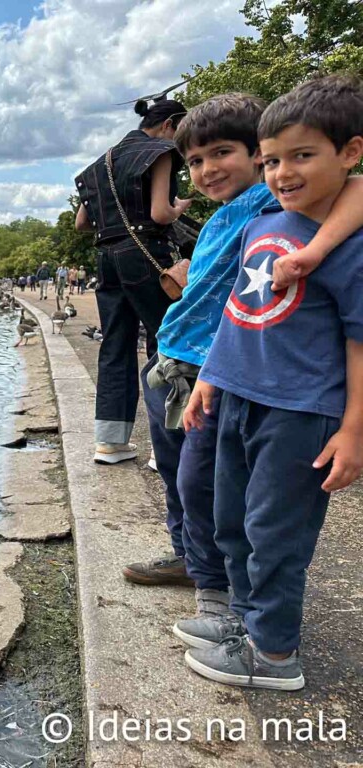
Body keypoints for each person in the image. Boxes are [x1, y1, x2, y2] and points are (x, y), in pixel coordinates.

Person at [125, 93, 363, 596]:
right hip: (171, 361)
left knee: (208, 482)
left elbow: (359, 187)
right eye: (194, 161)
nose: (208, 169)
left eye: (221, 153)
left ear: (257, 154)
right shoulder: (219, 217)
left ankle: (221, 581)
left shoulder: (267, 201)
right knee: (176, 475)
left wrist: (315, 250)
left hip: (211, 372)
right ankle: (189, 556)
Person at [182, 75, 363, 690]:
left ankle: (275, 655)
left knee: (276, 532)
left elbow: (359, 340)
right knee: (230, 517)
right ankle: (242, 619)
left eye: (303, 156)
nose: (283, 173)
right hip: (239, 397)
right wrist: (211, 376)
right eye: (272, 160)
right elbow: (237, 309)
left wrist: (353, 430)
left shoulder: (350, 243)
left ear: (351, 152)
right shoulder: (265, 225)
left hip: (300, 411)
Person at [75, 97, 192, 464]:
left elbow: (81, 223)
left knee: (115, 345)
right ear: (171, 124)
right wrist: (181, 207)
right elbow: (160, 212)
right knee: (167, 341)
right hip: (146, 254)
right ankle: (167, 447)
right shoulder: (162, 151)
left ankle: (110, 442)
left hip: (105, 259)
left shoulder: (99, 164)